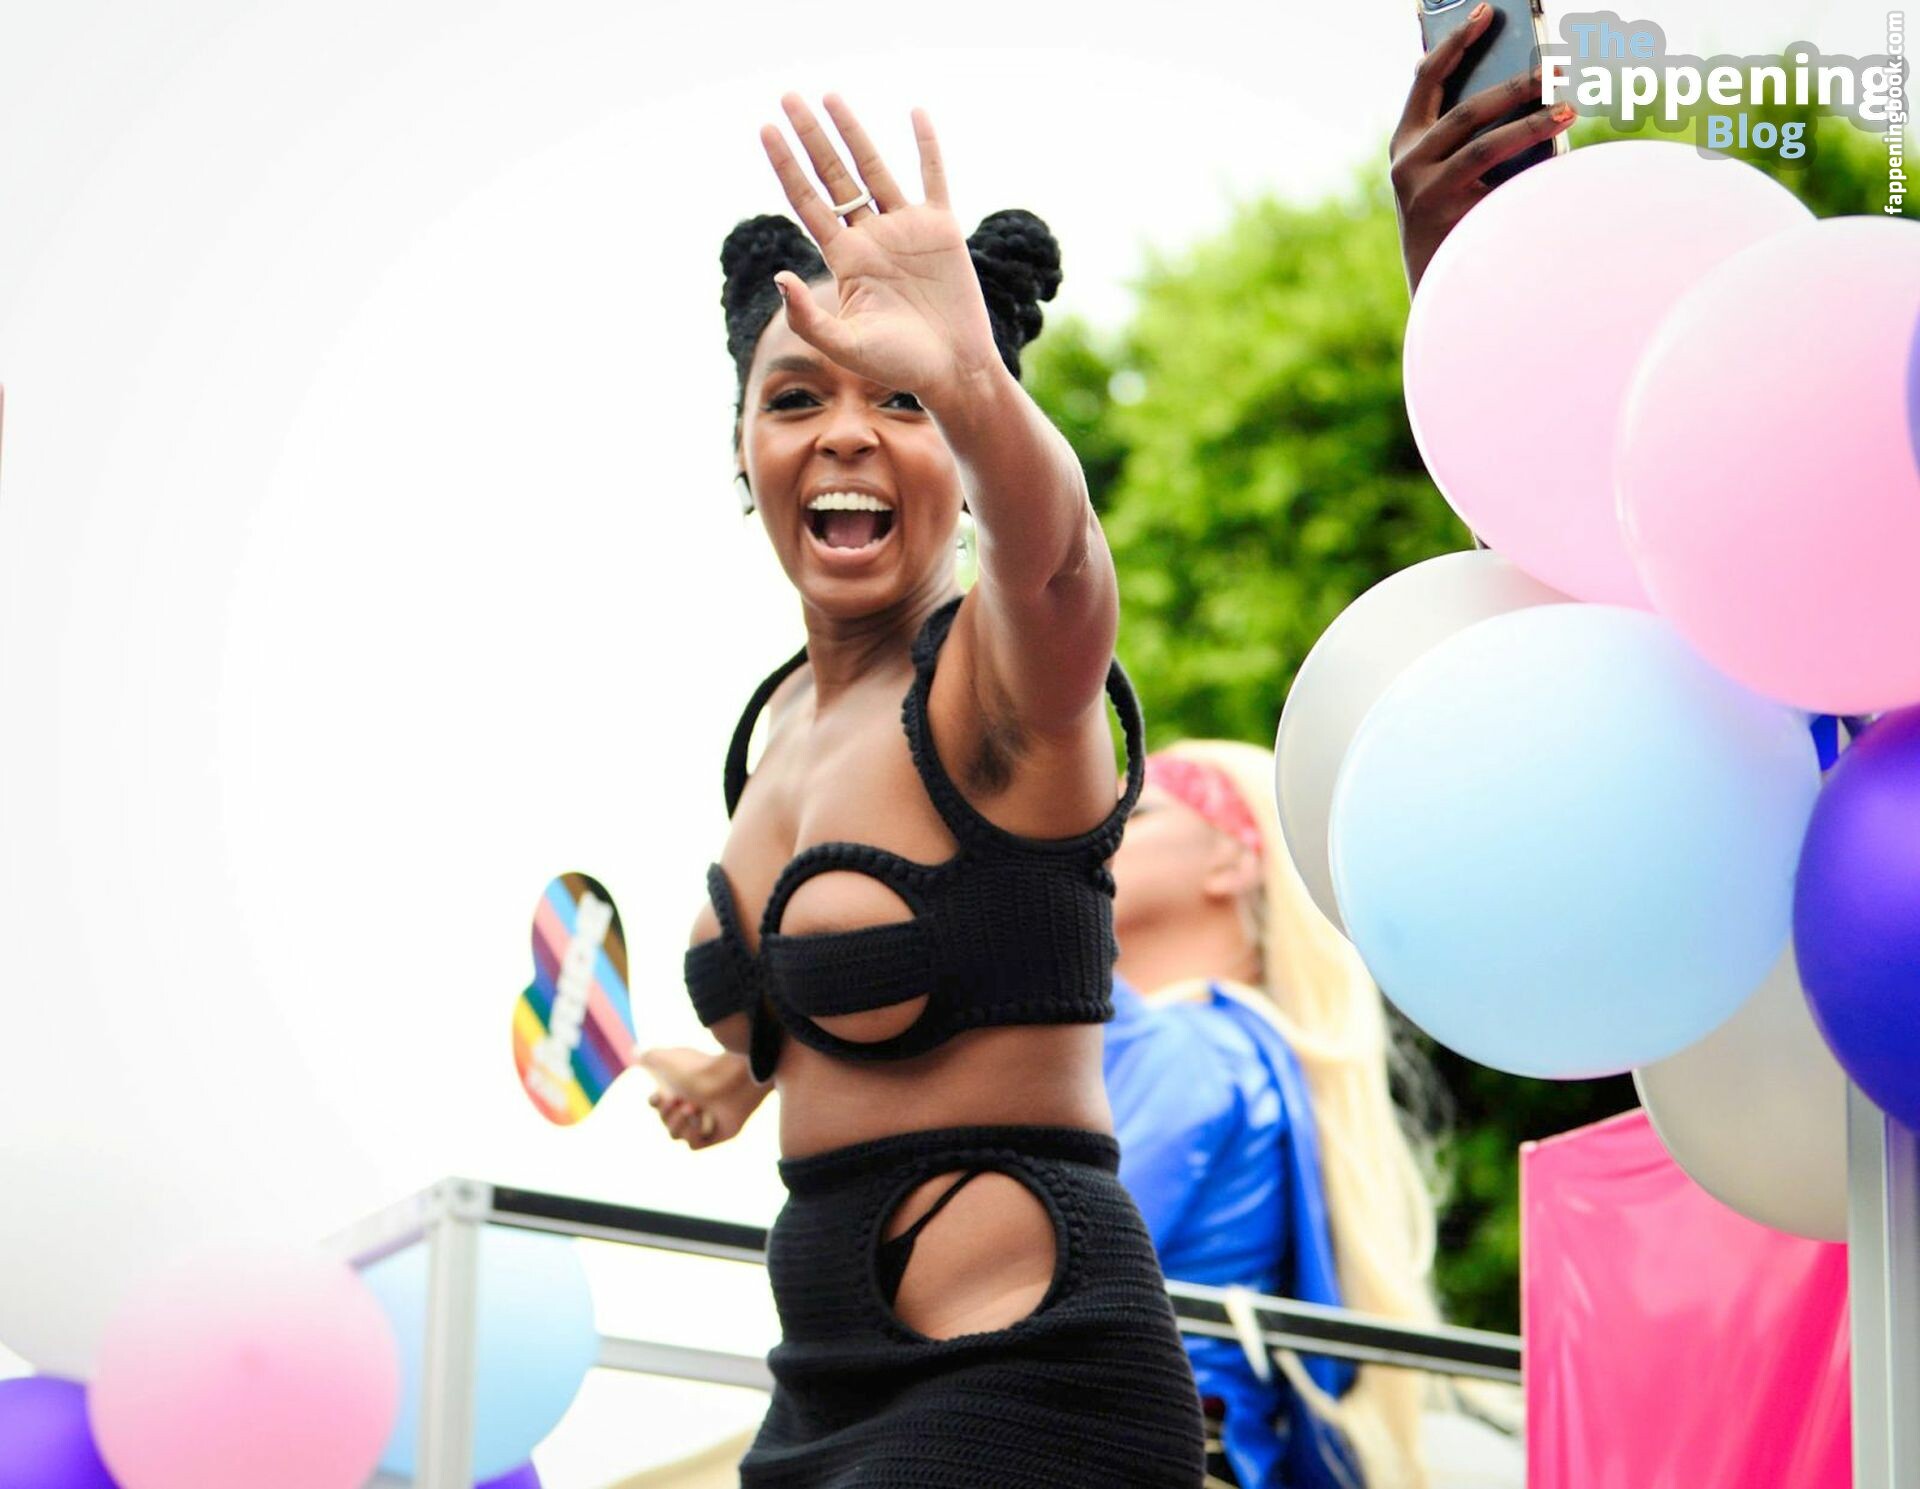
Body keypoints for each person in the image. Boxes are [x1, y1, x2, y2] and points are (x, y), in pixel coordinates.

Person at [649, 92, 1206, 1486]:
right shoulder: (775, 725)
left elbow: (1056, 556)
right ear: (744, 445)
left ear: (963, 454)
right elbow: (894, 994)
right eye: (796, 396)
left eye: (899, 400)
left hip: (1024, 1381)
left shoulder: (1002, 679)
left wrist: (969, 381)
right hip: (814, 1393)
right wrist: (741, 1068)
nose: (845, 431)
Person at [1104, 740, 1443, 1489]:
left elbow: (1040, 1269)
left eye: (1137, 808)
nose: (1094, 822)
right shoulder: (1246, 1049)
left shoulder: (1194, 1048)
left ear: (1232, 862)